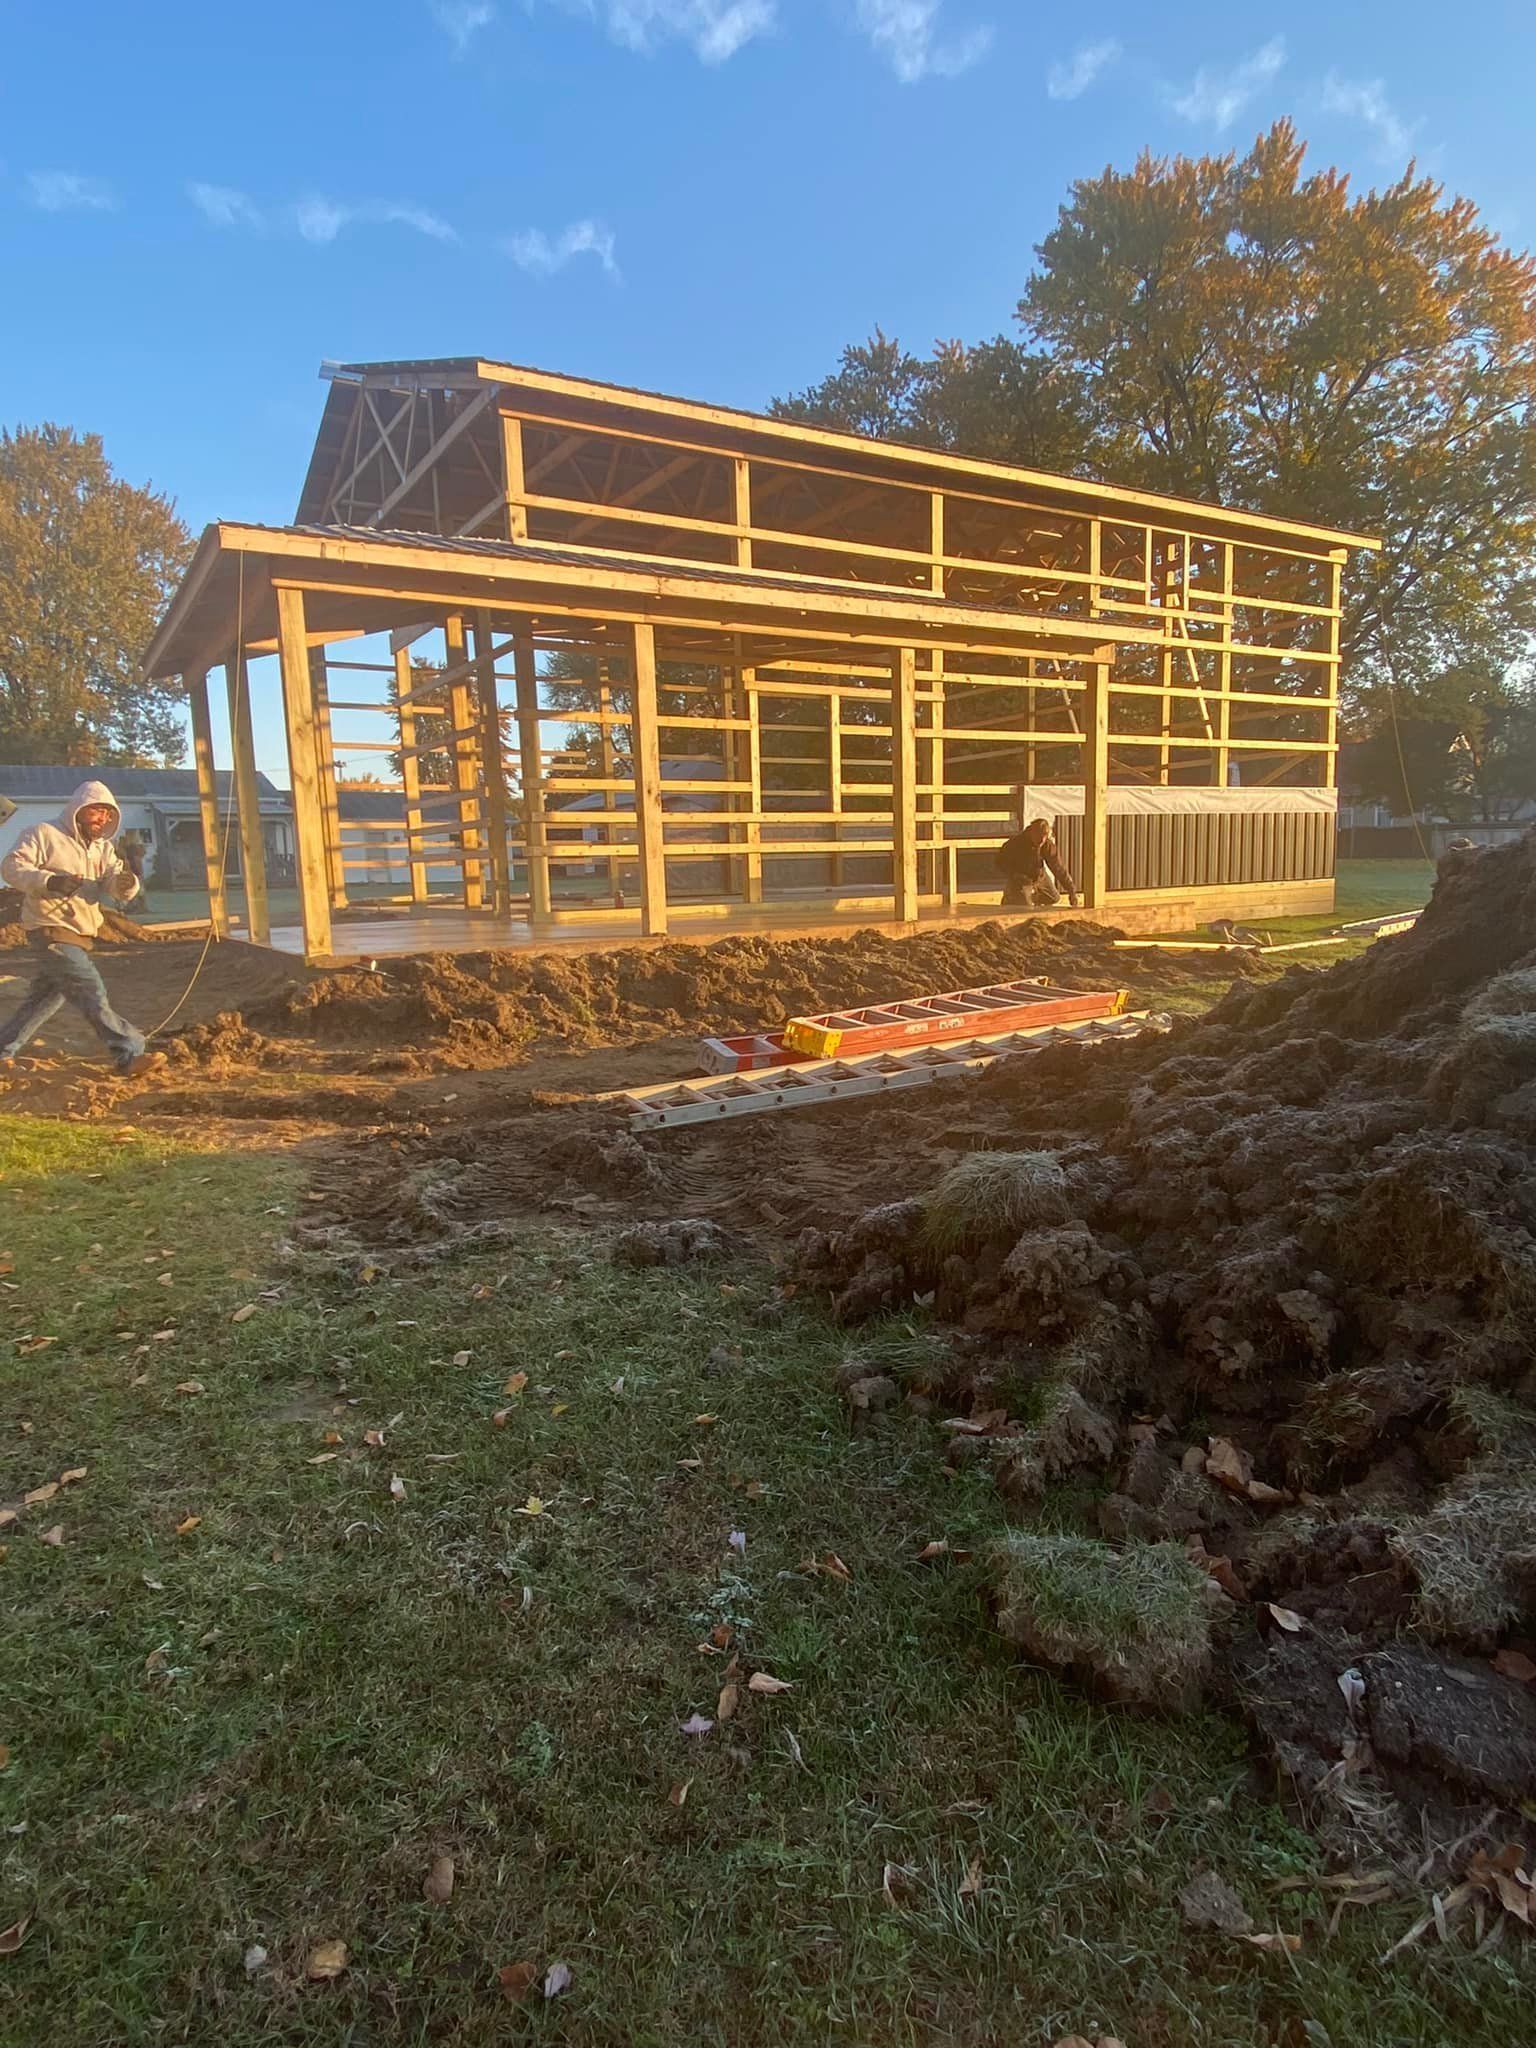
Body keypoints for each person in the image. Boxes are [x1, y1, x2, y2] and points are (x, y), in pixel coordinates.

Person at [0, 780, 159, 1076]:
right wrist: (50, 881)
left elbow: (114, 883)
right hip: (50, 928)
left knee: (43, 1000)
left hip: (81, 932)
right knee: (90, 989)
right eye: (96, 811)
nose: (102, 819)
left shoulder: (102, 849)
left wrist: (127, 884)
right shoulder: (43, 834)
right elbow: (12, 867)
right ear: (78, 809)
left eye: (107, 814)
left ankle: (2, 1050)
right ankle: (129, 1052)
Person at [995, 816, 1080, 910]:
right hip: (1021, 878)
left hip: (1039, 876)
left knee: (1054, 898)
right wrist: (1014, 874)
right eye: (1038, 838)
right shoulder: (1014, 844)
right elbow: (1000, 862)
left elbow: (1058, 868)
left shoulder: (1047, 845)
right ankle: (1011, 897)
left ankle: (1033, 898)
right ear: (1031, 832)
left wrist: (1071, 891)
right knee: (1024, 907)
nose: (1041, 842)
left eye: (1044, 839)